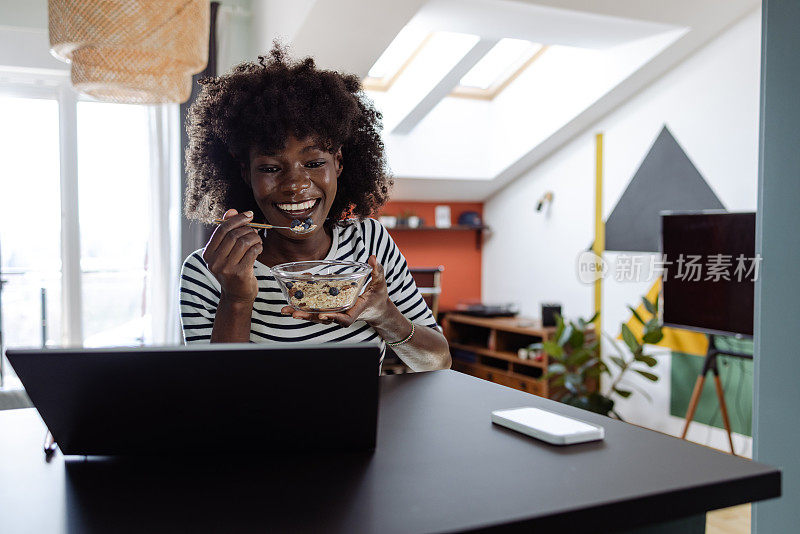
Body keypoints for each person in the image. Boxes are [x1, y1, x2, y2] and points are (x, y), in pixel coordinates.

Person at [179, 46, 451, 372]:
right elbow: (213, 397)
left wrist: (384, 314)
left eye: (313, 162)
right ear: (244, 173)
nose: (295, 184)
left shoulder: (369, 242)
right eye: (269, 168)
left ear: (337, 163)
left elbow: (438, 362)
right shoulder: (207, 271)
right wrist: (236, 299)